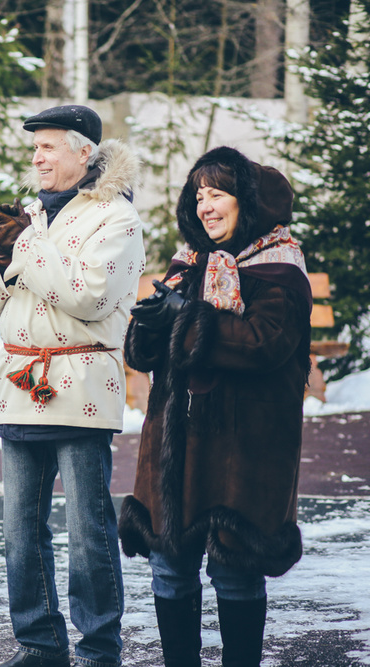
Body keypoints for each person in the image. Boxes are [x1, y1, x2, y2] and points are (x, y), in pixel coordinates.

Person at [119, 146, 310, 667]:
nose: (205, 205)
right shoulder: (190, 261)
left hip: (243, 452)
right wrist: (153, 325)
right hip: (175, 444)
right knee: (170, 569)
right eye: (198, 194)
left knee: (234, 570)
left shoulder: (280, 268)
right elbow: (145, 353)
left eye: (218, 193)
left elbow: (262, 342)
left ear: (248, 203)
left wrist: (191, 319)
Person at [0, 105, 144, 667]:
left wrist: (23, 247)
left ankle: (98, 649)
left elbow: (88, 296)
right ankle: (40, 644)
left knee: (88, 531)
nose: (37, 157)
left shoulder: (116, 218)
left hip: (81, 385)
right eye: (35, 148)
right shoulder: (30, 217)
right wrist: (1, 253)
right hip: (20, 381)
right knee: (19, 534)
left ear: (83, 153)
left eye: (48, 147)